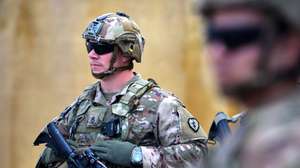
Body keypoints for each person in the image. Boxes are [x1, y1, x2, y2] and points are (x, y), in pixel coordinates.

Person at [35, 12, 207, 168]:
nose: (92, 54)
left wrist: (138, 155)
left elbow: (199, 155)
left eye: (102, 48)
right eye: (89, 45)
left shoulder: (161, 104)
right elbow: (47, 158)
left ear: (127, 51)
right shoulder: (82, 106)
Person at [197, 0, 300, 167]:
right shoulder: (243, 136)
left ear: (290, 45)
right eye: (211, 36)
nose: (217, 52)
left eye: (235, 38)